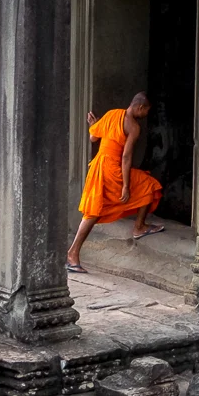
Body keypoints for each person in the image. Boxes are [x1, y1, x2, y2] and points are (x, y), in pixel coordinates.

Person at [64, 92, 164, 273]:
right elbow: (126, 157)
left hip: (98, 166)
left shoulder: (112, 114)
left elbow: (93, 137)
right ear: (140, 108)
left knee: (93, 211)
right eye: (146, 112)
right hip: (113, 169)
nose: (145, 116)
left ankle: (72, 254)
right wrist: (125, 185)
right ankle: (139, 227)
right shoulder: (133, 126)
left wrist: (94, 124)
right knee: (149, 184)